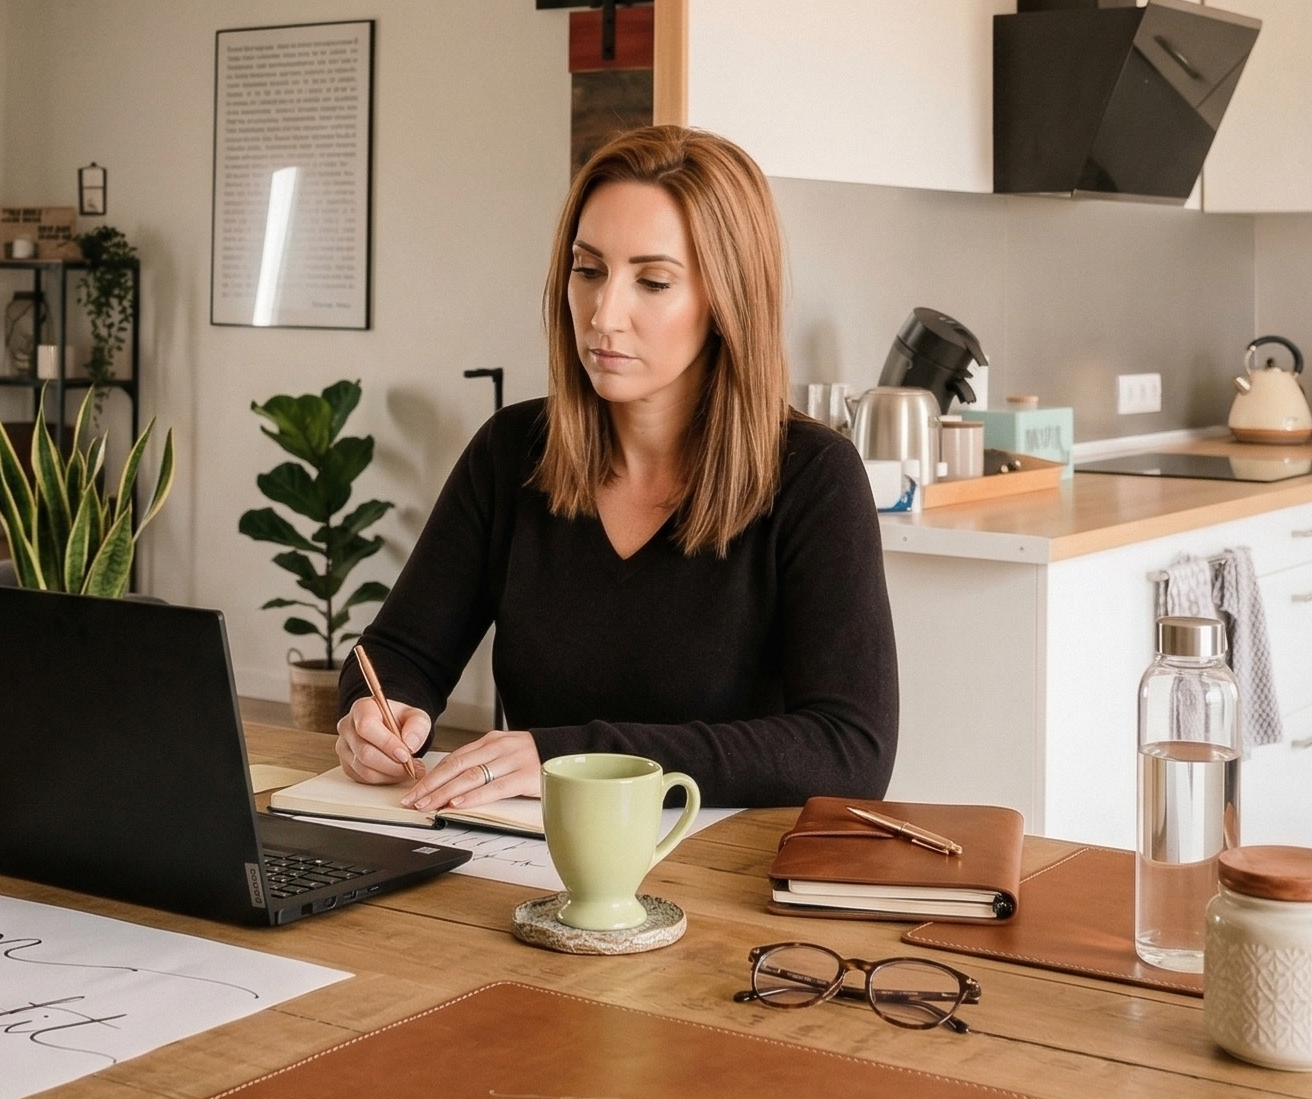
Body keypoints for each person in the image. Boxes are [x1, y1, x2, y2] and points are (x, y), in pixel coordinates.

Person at [337, 123, 898, 813]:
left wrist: (570, 758)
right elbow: (400, 655)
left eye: (653, 281)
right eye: (589, 270)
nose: (604, 314)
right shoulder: (510, 452)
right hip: (532, 862)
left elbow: (849, 749)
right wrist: (379, 715)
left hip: (727, 876)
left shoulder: (814, 477)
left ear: (727, 301)